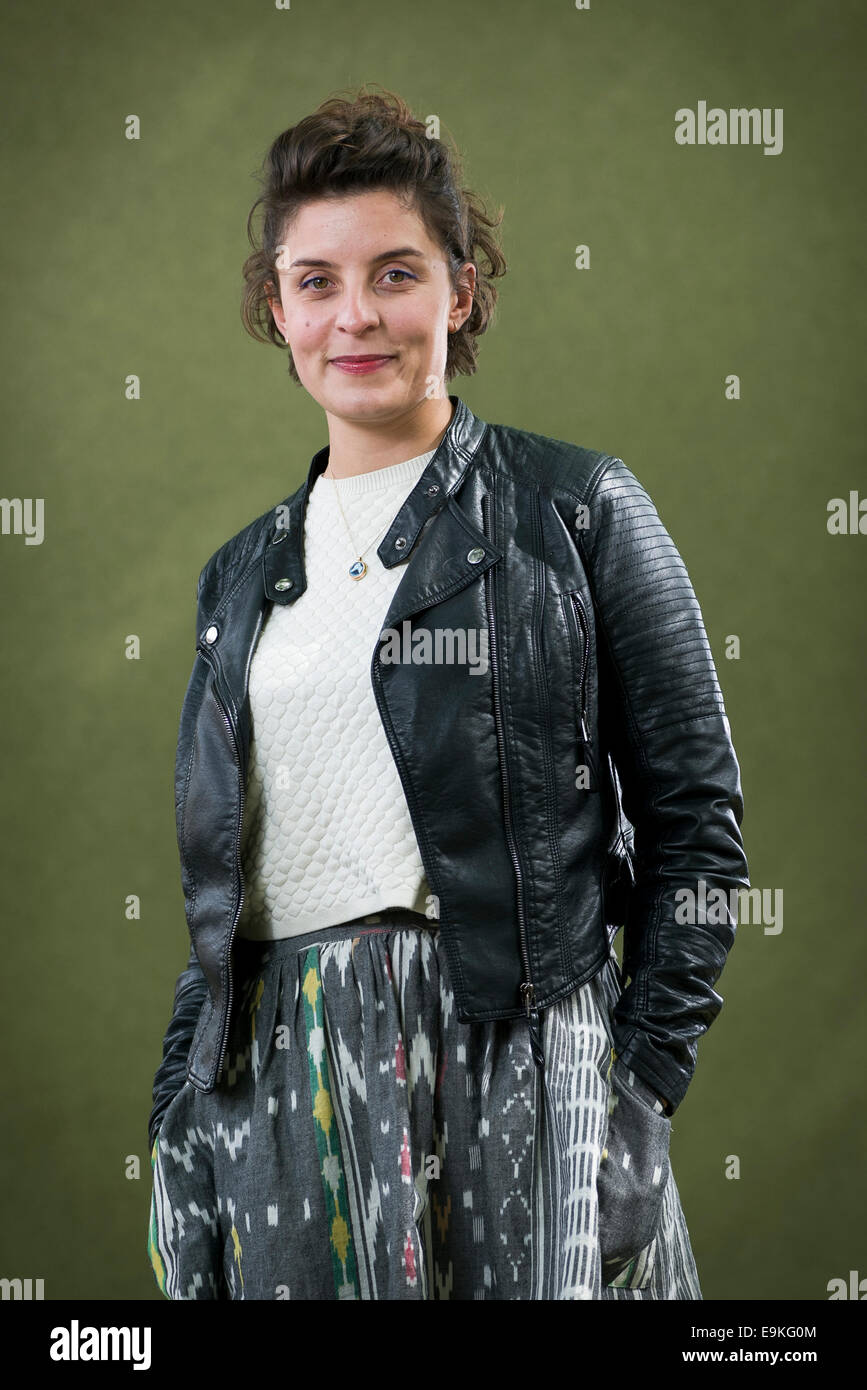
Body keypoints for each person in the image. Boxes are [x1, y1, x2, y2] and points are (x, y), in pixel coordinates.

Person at [146, 84, 748, 1301]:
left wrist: (637, 1094)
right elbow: (228, 892)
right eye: (315, 280)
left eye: (395, 273)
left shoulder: (577, 511)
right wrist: (177, 1111)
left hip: (524, 1058)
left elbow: (699, 835)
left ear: (460, 290)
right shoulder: (241, 577)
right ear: (277, 307)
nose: (355, 314)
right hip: (282, 1082)